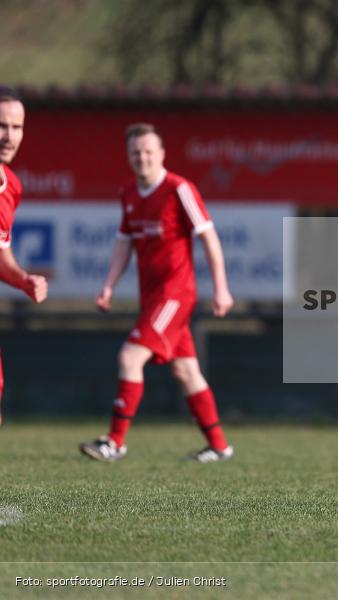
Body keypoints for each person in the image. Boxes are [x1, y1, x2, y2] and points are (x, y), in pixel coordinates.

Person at [79, 123, 234, 463]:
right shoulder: (129, 195)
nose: (142, 157)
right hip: (152, 298)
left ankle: (114, 441)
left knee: (130, 357)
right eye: (136, 151)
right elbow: (124, 244)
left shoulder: (179, 189)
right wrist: (108, 285)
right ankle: (219, 446)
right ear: (128, 156)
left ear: (162, 154)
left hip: (175, 294)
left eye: (149, 150)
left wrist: (221, 288)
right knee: (186, 371)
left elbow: (208, 236)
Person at [0, 87, 49, 426]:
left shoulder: (12, 187)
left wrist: (23, 279)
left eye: (17, 127)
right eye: (1, 125)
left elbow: (1, 252)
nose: (9, 136)